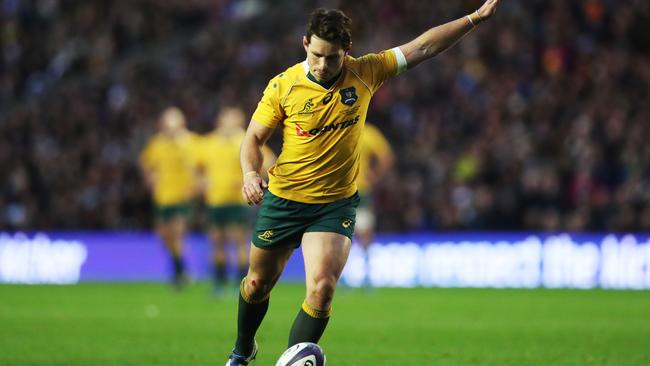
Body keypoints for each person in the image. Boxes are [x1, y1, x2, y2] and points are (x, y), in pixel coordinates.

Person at [227, 2, 500, 364]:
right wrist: (249, 173)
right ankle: (243, 350)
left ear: (348, 52)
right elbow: (253, 139)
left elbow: (422, 47)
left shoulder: (366, 72)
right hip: (284, 199)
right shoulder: (283, 85)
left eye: (333, 58)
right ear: (305, 43)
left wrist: (474, 19)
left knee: (322, 288)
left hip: (334, 204)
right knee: (257, 284)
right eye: (318, 55)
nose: (324, 65)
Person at [197, 107, 276, 295]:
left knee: (238, 240)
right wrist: (201, 181)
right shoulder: (210, 142)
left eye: (232, 120)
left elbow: (269, 162)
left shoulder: (244, 140)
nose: (228, 123)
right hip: (215, 200)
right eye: (226, 119)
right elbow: (197, 166)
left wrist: (251, 178)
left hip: (238, 200)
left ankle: (240, 281)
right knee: (216, 241)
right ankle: (219, 281)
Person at [139, 107, 200, 289]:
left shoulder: (190, 142)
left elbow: (202, 165)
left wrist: (196, 184)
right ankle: (180, 270)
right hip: (162, 197)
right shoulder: (156, 144)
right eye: (167, 124)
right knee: (164, 235)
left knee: (176, 232)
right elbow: (146, 164)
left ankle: (181, 273)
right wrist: (150, 179)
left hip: (182, 196)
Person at [355, 122, 394, 286]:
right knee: (362, 233)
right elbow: (386, 157)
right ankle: (365, 276)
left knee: (355, 234)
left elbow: (386, 157)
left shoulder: (365, 132)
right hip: (357, 189)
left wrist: (375, 176)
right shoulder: (368, 132)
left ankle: (365, 275)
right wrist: (375, 176)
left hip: (353, 190)